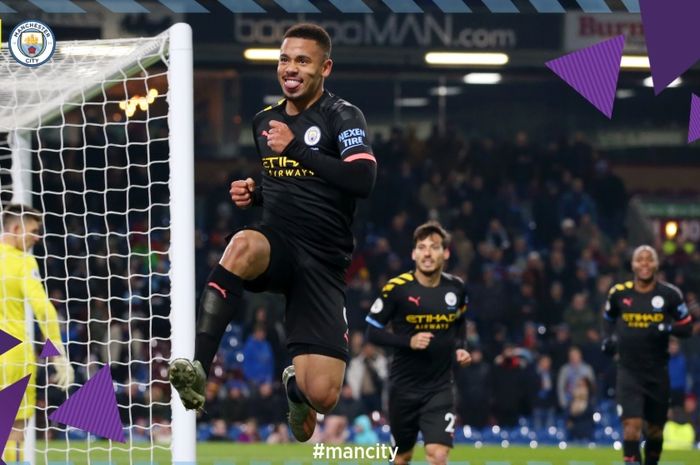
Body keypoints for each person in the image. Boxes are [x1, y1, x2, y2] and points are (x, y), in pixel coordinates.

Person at [169, 23, 376, 443]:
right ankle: (197, 368)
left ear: (325, 67)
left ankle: (296, 388)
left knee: (324, 397)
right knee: (241, 243)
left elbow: (363, 178)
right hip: (277, 243)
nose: (291, 68)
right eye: (284, 58)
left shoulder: (343, 116)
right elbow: (292, 186)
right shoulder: (266, 121)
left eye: (302, 60)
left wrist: (297, 147)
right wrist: (256, 193)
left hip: (323, 262)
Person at [365, 222, 471, 465]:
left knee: (438, 455)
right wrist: (408, 341)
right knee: (402, 457)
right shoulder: (396, 289)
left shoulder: (457, 288)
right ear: (413, 253)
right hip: (403, 389)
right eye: (421, 247)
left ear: (445, 253)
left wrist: (461, 347)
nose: (427, 253)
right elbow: (373, 333)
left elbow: (460, 322)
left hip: (440, 388)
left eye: (434, 247)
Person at [601, 245, 693, 465]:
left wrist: (666, 328)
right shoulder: (619, 293)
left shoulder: (669, 294)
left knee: (655, 432)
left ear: (656, 264)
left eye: (649, 259)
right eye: (639, 260)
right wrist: (609, 339)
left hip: (657, 372)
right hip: (628, 371)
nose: (644, 264)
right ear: (632, 264)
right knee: (631, 428)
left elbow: (687, 327)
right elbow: (608, 319)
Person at [0, 204, 74, 462]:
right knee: (13, 428)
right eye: (33, 231)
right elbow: (44, 309)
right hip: (13, 355)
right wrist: (58, 355)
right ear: (17, 228)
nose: (37, 237)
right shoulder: (22, 260)